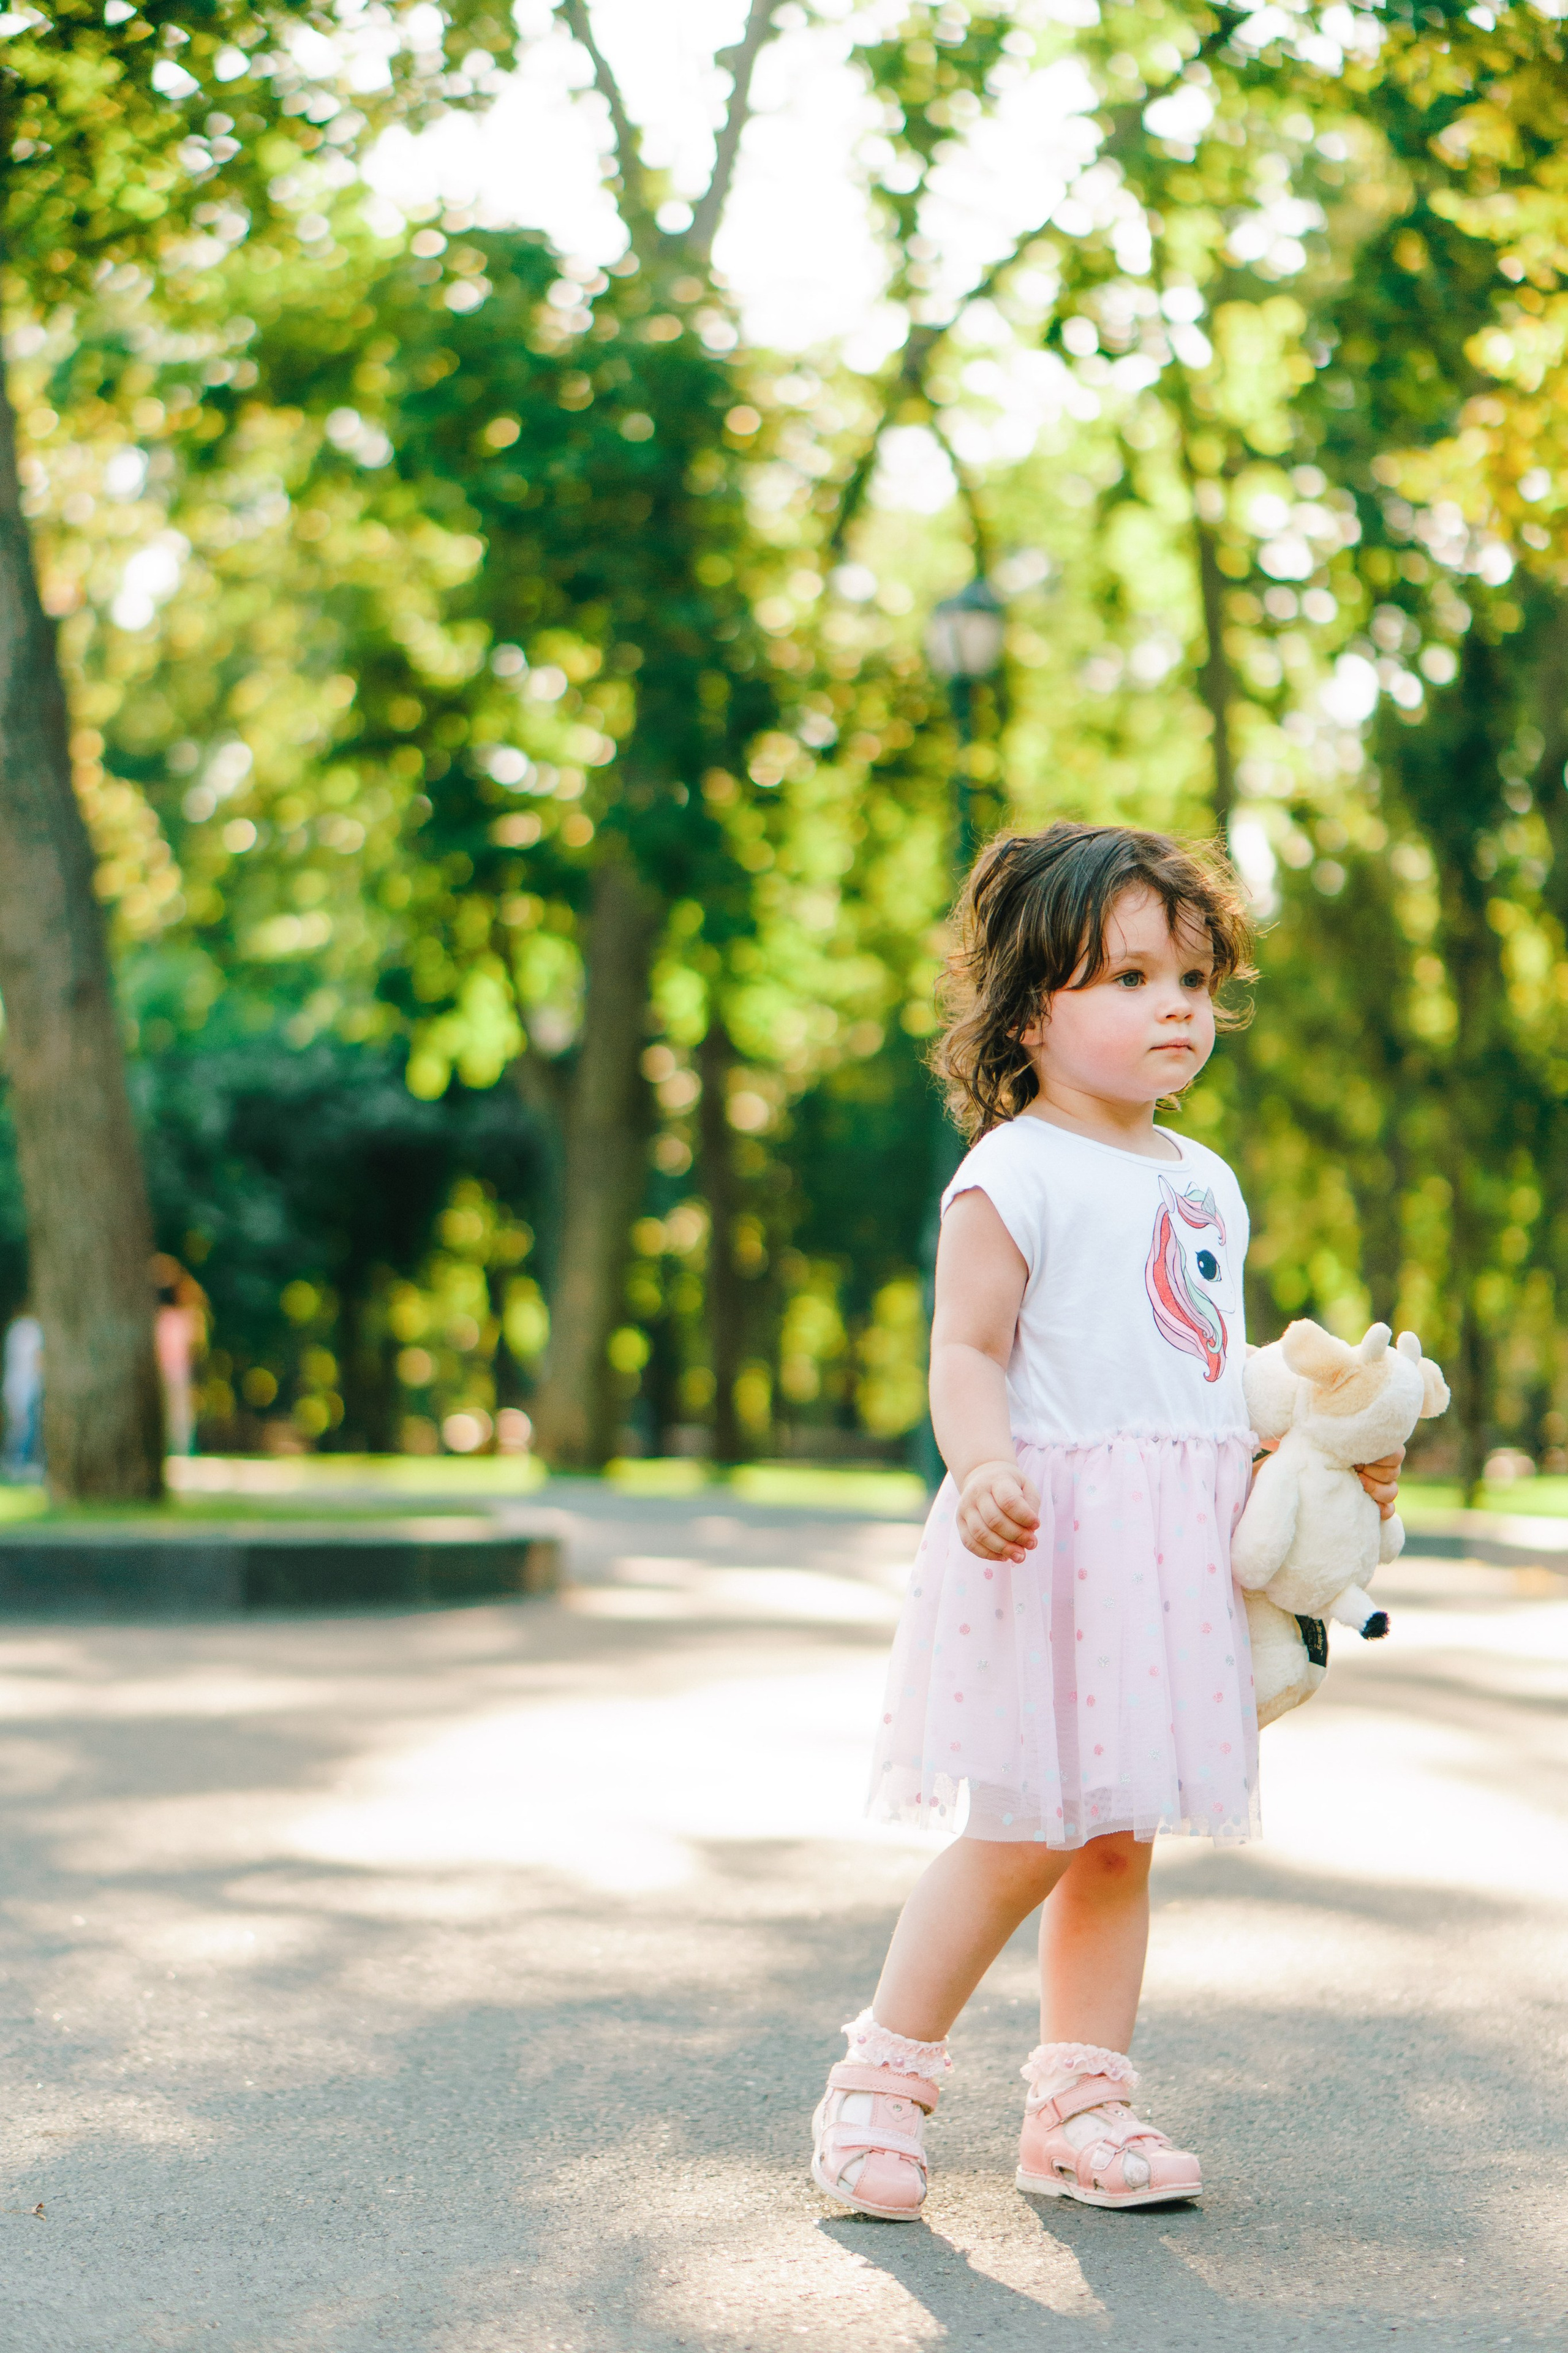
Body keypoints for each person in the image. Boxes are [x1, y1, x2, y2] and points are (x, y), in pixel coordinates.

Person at [811, 822, 1403, 2220]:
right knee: (1023, 1824)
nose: (1176, 1007)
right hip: (1049, 1535)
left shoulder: (1202, 1180)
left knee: (1117, 1833)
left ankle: (1079, 2103)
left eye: (1193, 979)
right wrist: (981, 1464)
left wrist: (1302, 1456)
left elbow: (1202, 1367)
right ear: (1031, 1009)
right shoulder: (1008, 1172)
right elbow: (966, 1347)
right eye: (1130, 977)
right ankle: (875, 2085)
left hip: (1167, 1543)